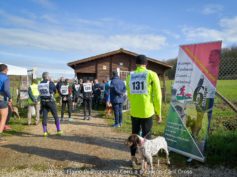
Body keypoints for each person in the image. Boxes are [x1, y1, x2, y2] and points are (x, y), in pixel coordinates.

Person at [126, 55, 162, 167]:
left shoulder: (130, 75)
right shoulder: (151, 74)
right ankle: (145, 162)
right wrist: (158, 112)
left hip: (135, 111)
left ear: (136, 64)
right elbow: (157, 96)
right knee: (146, 137)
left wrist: (134, 104)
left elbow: (129, 94)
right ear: (146, 64)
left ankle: (132, 159)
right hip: (147, 111)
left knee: (134, 136)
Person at [38, 72, 62, 136]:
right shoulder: (50, 83)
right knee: (55, 115)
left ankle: (45, 132)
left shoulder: (40, 83)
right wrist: (51, 82)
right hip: (50, 101)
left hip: (43, 102)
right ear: (47, 77)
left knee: (44, 116)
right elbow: (55, 91)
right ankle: (58, 130)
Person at [0, 64, 12, 143]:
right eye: (7, 69)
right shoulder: (5, 78)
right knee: (3, 118)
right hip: (1, 100)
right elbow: (6, 89)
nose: (8, 71)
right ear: (5, 70)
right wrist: (10, 97)